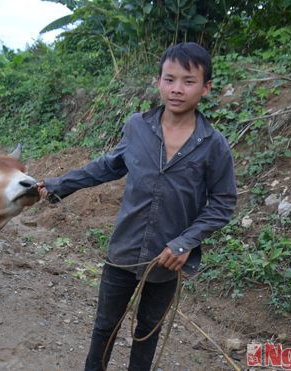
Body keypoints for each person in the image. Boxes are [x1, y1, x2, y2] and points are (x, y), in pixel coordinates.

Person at [37, 42, 237, 371]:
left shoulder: (214, 146)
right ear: (158, 81)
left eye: (188, 81)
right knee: (105, 328)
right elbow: (106, 166)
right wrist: (60, 184)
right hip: (123, 251)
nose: (176, 89)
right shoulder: (137, 127)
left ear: (206, 88)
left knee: (146, 334)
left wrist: (186, 242)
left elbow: (222, 203)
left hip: (167, 260)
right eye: (169, 79)